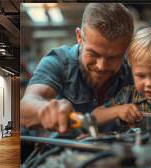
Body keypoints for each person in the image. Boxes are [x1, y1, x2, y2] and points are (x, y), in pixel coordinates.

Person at [20, 3, 134, 133]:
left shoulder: (133, 72)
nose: (101, 66)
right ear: (79, 37)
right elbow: (25, 108)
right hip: (62, 150)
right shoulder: (58, 61)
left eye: (113, 58)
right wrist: (44, 110)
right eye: (93, 54)